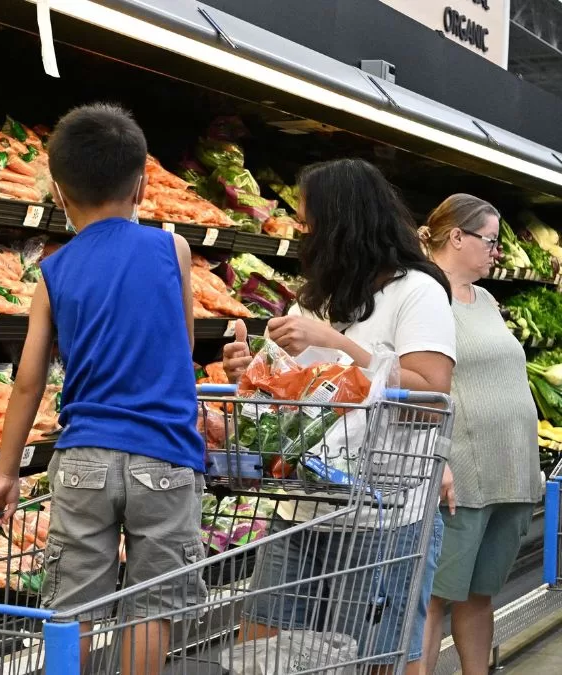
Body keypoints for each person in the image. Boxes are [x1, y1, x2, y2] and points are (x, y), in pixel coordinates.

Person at [0, 103, 205, 675]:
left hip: (82, 458)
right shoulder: (171, 250)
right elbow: (181, 351)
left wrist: (6, 474)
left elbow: (28, 382)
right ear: (142, 183)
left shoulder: (53, 272)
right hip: (165, 454)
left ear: (58, 191)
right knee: (150, 609)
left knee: (71, 610)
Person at [222, 158, 455, 674]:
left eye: (309, 223)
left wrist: (339, 345)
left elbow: (432, 396)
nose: (302, 234)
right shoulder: (318, 300)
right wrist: (253, 371)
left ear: (343, 224)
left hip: (384, 514)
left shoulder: (417, 292)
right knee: (263, 644)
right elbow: (298, 395)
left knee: (374, 656)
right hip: (303, 505)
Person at [416, 195, 542, 675]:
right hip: (463, 476)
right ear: (456, 237)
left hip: (509, 470)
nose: (497, 252)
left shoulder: (486, 298)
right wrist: (438, 455)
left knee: (478, 592)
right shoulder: (426, 295)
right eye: (490, 240)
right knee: (435, 598)